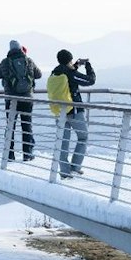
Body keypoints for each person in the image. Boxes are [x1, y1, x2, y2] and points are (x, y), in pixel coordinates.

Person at [46, 49, 97, 177]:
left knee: (63, 142)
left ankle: (64, 172)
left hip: (59, 111)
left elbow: (69, 74)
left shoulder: (55, 72)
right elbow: (90, 80)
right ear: (69, 60)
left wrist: (76, 65)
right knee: (83, 137)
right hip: (74, 111)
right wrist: (88, 66)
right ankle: (75, 167)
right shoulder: (70, 73)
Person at [0, 39, 41, 161]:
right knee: (27, 126)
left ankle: (10, 154)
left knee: (11, 126)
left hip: (11, 99)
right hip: (27, 99)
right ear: (20, 48)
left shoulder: (5, 62)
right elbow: (39, 74)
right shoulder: (28, 61)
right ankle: (27, 154)